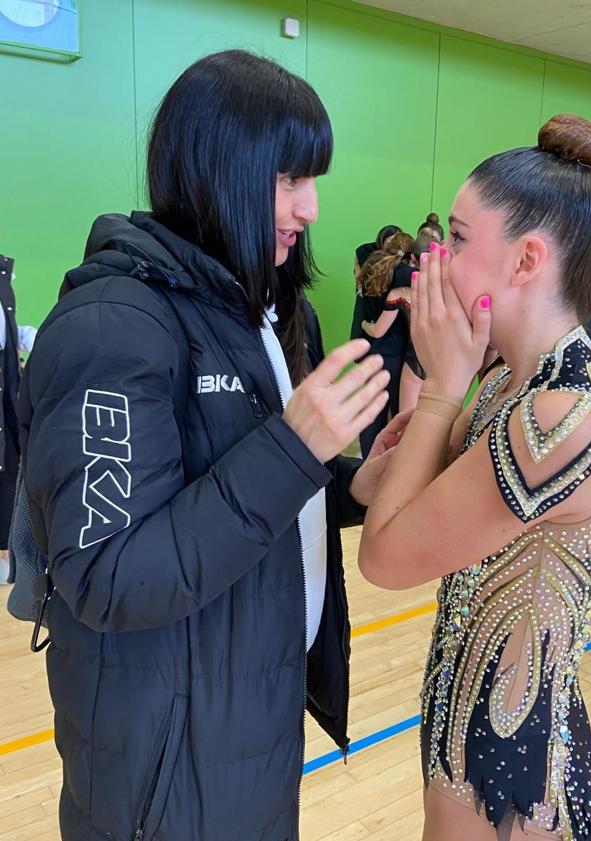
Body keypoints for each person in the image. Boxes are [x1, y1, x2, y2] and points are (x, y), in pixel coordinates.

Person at [17, 50, 403, 841]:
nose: (312, 208)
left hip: (247, 709)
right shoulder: (112, 327)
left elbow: (241, 495)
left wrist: (349, 484)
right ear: (218, 168)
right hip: (162, 758)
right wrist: (298, 449)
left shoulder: (259, 313)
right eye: (290, 180)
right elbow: (109, 572)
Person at [358, 114, 591, 841]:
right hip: (463, 715)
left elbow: (383, 557)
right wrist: (441, 397)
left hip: (506, 761)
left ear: (524, 261)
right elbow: (371, 490)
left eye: (455, 238)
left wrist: (436, 396)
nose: (434, 260)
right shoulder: (507, 383)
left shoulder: (560, 416)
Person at [361, 231, 434, 412]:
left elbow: (378, 330)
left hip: (413, 358)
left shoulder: (401, 293)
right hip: (441, 361)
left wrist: (363, 324)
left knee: (403, 423)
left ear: (412, 259)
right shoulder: (446, 291)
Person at [357, 232, 415, 455]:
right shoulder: (403, 274)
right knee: (399, 414)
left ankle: (366, 460)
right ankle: (389, 464)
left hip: (374, 351)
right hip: (397, 354)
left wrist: (364, 325)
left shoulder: (371, 264)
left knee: (371, 412)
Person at [0, 254, 36, 585]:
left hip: (8, 381)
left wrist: (25, 335)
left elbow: (7, 332)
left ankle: (7, 553)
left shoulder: (4, 276)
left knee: (11, 461)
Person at [350, 224, 401, 345]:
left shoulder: (401, 262)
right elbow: (358, 270)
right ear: (381, 242)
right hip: (368, 304)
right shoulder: (368, 253)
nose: (392, 246)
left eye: (396, 242)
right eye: (389, 242)